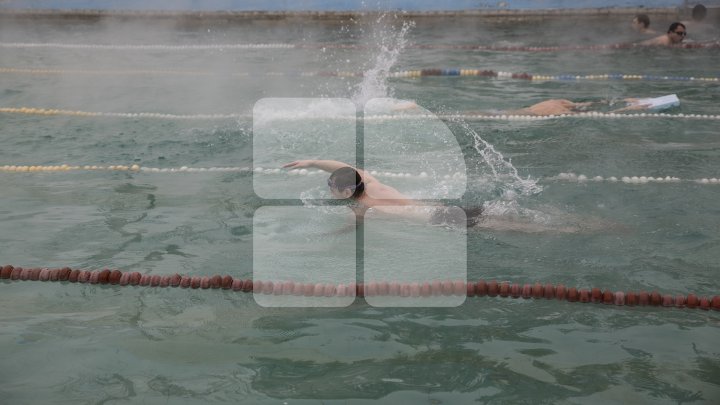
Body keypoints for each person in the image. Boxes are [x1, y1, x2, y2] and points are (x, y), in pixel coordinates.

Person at [282, 159, 481, 227]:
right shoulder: (372, 184)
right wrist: (313, 162)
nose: (329, 190)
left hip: (441, 222)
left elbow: (351, 231)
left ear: (345, 192)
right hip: (445, 210)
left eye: (331, 186)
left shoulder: (360, 208)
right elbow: (348, 168)